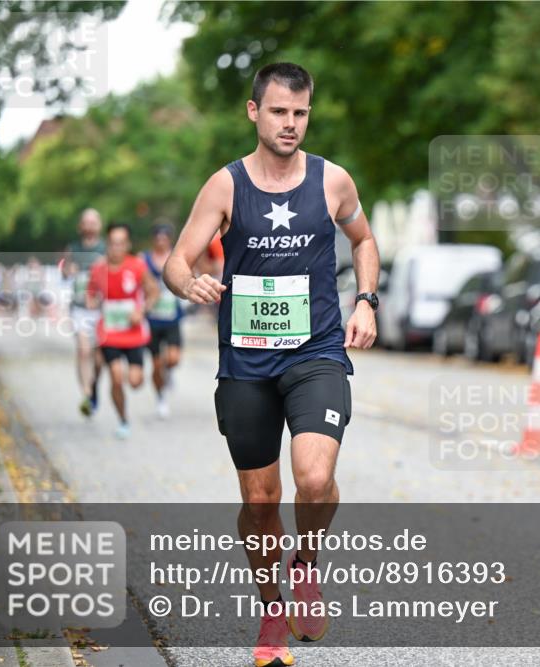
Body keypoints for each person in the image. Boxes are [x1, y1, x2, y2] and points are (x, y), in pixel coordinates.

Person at [163, 62, 379, 667]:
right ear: (254, 112)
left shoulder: (333, 181)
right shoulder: (226, 187)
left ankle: (306, 563)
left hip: (316, 354)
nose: (291, 123)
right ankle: (272, 608)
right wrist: (192, 285)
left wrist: (365, 301)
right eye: (279, 111)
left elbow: (363, 240)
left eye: (301, 113)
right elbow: (176, 261)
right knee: (260, 501)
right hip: (246, 365)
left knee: (314, 478)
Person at [86, 223, 159, 439]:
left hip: (134, 333)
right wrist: (91, 301)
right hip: (109, 333)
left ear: (127, 244)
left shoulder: (137, 266)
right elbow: (90, 294)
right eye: (112, 243)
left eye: (121, 243)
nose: (116, 247)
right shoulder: (98, 269)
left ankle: (119, 388)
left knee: (135, 382)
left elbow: (153, 291)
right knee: (116, 377)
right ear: (107, 244)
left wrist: (142, 310)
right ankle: (123, 420)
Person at [62, 208, 107, 417]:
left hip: (101, 311)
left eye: (93, 222)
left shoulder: (106, 249)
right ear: (80, 226)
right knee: (83, 351)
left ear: (99, 225)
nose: (89, 226)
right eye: (85, 222)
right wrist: (67, 269)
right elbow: (63, 272)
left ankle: (94, 386)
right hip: (79, 308)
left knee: (99, 359)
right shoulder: (72, 248)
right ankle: (87, 395)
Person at [143, 222, 184, 418]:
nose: (161, 240)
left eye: (164, 236)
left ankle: (169, 373)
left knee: (173, 359)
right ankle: (161, 398)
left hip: (172, 317)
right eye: (157, 236)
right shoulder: (144, 260)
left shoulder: (177, 258)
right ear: (153, 239)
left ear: (169, 239)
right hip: (152, 319)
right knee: (156, 364)